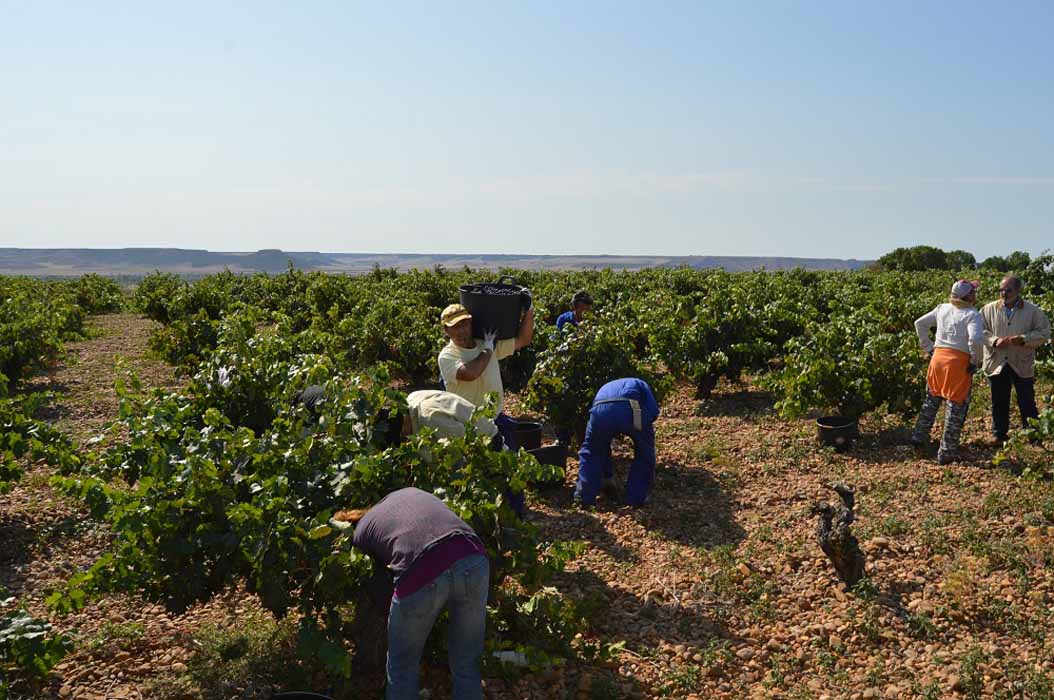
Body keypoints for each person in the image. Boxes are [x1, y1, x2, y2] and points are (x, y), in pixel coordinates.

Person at [337, 487, 490, 700]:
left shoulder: (360, 533)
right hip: (472, 557)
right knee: (467, 660)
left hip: (422, 569)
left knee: (402, 667)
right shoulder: (406, 493)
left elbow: (379, 584)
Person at [910, 279, 984, 464]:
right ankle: (947, 452)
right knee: (956, 407)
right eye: (973, 292)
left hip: (937, 360)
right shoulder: (972, 314)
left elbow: (919, 323)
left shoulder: (942, 308)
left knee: (931, 400)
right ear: (968, 296)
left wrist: (928, 348)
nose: (975, 295)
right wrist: (975, 360)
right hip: (957, 363)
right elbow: (975, 339)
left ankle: (918, 439)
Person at [437, 302, 533, 442]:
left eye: (465, 324)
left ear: (471, 323)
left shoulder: (486, 341)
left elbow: (523, 340)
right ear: (446, 330)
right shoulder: (447, 356)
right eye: (456, 327)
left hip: (495, 418)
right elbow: (471, 373)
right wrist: (488, 349)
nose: (462, 330)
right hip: (468, 424)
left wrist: (529, 309)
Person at [981, 275, 1051, 444]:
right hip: (997, 361)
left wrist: (1024, 338)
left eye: (1008, 290)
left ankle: (1033, 436)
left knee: (1026, 399)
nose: (1003, 293)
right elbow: (980, 331)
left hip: (1021, 361)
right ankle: (999, 434)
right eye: (1001, 290)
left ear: (1018, 290)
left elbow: (1044, 333)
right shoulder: (988, 309)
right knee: (999, 400)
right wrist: (994, 341)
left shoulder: (1033, 310)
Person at [574, 378, 660, 507]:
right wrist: (640, 430)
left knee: (592, 451)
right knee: (644, 452)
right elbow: (653, 410)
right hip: (630, 408)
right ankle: (635, 499)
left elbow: (602, 440)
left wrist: (608, 474)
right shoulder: (641, 384)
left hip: (599, 411)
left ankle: (583, 498)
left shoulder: (607, 385)